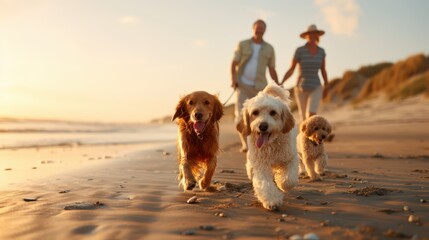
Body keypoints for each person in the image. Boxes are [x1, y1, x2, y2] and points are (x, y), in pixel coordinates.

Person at [231, 19, 280, 152]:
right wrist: (233, 79)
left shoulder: (269, 48)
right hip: (242, 85)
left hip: (260, 87)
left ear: (265, 30)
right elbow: (234, 63)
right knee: (240, 117)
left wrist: (278, 84)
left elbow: (272, 69)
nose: (259, 30)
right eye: (257, 28)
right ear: (253, 28)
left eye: (262, 28)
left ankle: (257, 142)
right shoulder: (243, 44)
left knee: (261, 118)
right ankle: (246, 144)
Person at [281, 24, 329, 123]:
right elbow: (291, 69)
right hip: (301, 87)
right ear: (307, 35)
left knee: (311, 114)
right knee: (303, 118)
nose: (312, 35)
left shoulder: (321, 51)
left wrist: (327, 85)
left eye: (314, 33)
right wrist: (282, 82)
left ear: (317, 35)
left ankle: (312, 137)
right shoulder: (300, 51)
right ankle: (304, 138)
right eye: (310, 33)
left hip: (316, 86)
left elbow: (323, 69)